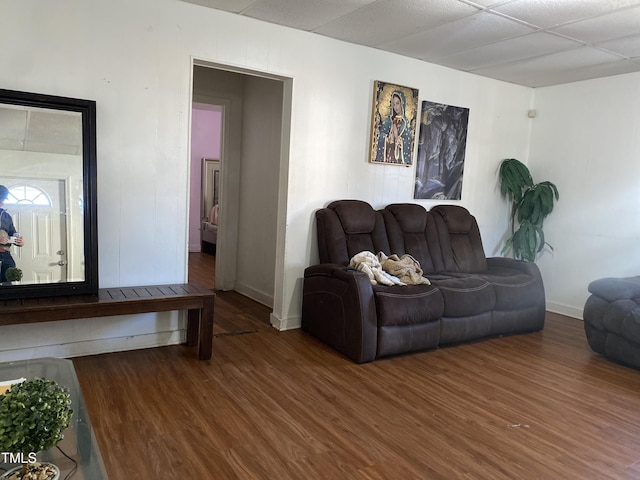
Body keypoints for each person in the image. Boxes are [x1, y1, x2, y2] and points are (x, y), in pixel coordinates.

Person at [375, 90, 412, 164]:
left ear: (402, 103)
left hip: (399, 156)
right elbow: (382, 134)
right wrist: (387, 138)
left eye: (397, 103)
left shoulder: (405, 122)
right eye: (393, 104)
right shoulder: (389, 120)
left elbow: (408, 139)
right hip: (389, 153)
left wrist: (401, 141)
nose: (395, 107)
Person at [0, 185, 24, 282]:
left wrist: (19, 241)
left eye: (3, 199)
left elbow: (13, 233)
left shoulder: (6, 216)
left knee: (8, 289)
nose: (2, 202)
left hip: (6, 256)